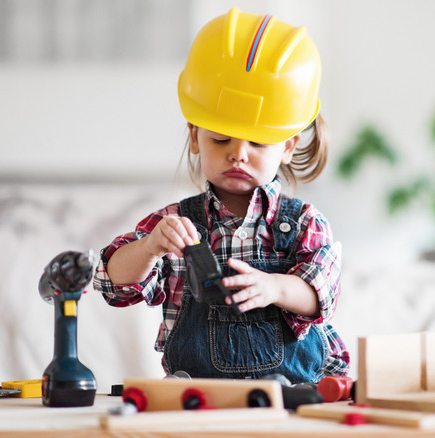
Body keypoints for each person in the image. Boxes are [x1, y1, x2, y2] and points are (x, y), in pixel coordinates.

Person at [93, 8, 349, 384]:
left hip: (291, 392)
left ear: (289, 146)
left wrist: (274, 287)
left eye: (258, 141)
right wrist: (150, 247)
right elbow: (112, 284)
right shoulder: (173, 224)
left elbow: (319, 294)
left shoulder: (305, 223)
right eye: (220, 138)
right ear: (195, 136)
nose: (238, 153)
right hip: (199, 389)